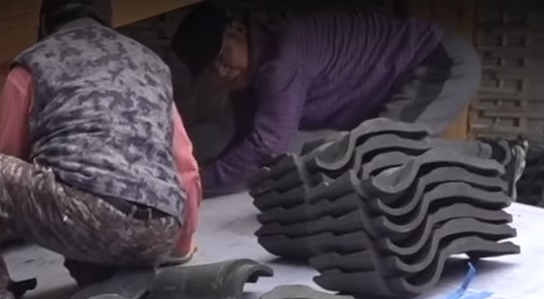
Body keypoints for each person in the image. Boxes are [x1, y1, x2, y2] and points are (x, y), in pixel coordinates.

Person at [0, 0, 201, 299]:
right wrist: (179, 246)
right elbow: (184, 162)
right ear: (107, 17)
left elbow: (4, 163)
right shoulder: (151, 64)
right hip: (161, 229)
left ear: (44, 22)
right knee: (79, 193)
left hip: (87, 219)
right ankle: (121, 274)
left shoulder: (34, 63)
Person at [171, 4, 481, 197]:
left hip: (437, 62)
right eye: (210, 69)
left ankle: (484, 162)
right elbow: (245, 141)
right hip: (400, 75)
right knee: (369, 153)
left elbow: (266, 146)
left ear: (239, 31)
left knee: (381, 151)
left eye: (221, 56)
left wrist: (198, 185)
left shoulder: (283, 60)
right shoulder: (252, 75)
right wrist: (202, 175)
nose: (221, 71)